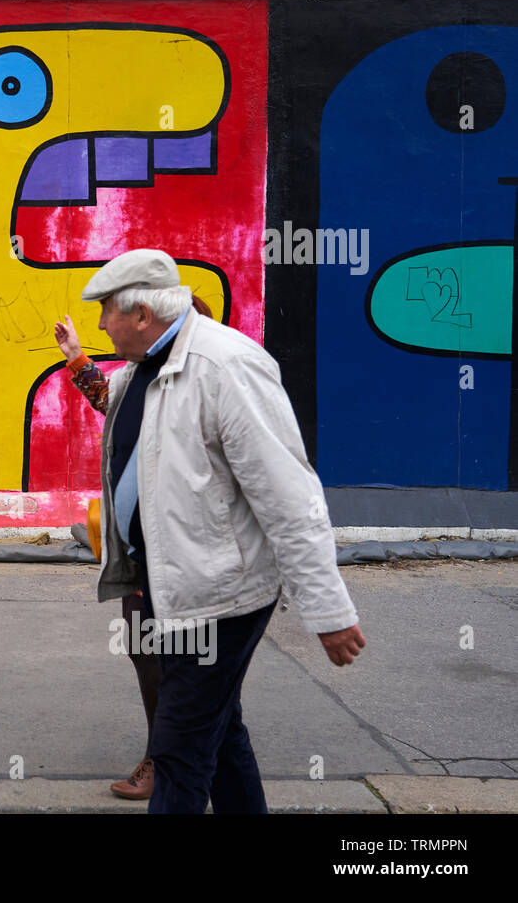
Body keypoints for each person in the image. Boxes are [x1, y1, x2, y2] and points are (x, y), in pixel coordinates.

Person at [56, 248, 366, 814]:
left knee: (179, 748)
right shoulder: (141, 373)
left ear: (142, 314)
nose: (100, 324)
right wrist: (79, 364)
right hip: (166, 585)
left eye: (107, 312)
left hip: (218, 595)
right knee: (219, 735)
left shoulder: (227, 367)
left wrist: (328, 612)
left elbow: (290, 500)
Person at [56, 294, 213, 800]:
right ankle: (173, 759)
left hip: (189, 558)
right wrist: (77, 357)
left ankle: (171, 765)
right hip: (140, 556)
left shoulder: (203, 390)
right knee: (148, 654)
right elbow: (107, 397)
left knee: (191, 667)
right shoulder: (139, 382)